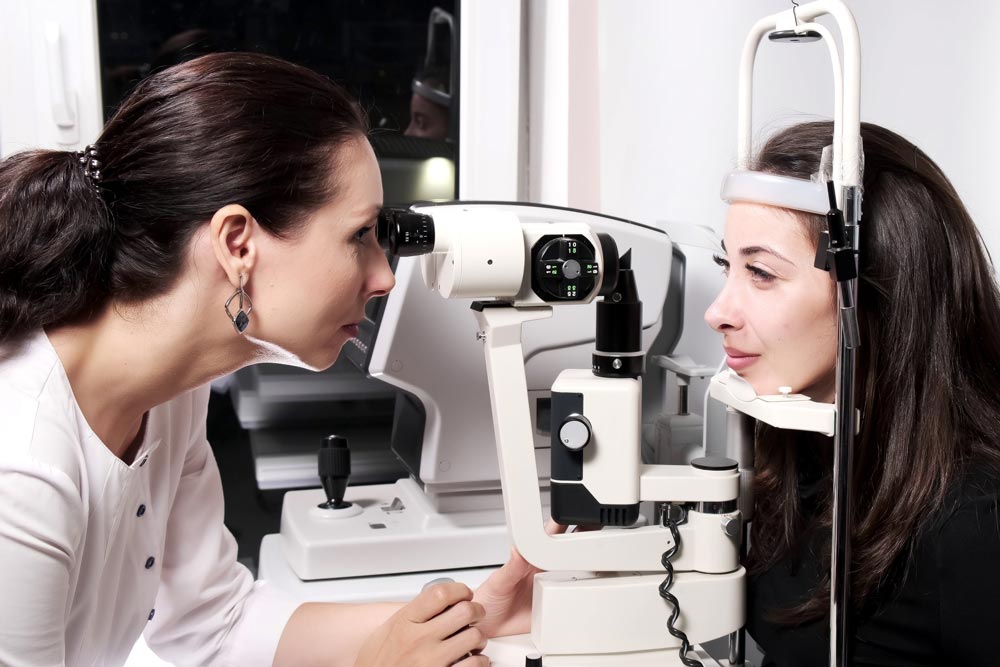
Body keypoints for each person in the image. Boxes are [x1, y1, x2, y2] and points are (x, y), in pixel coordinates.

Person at [0, 52, 552, 667]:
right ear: (238, 243)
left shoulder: (171, 394)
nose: (383, 279)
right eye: (359, 236)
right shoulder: (19, 472)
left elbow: (217, 624)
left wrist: (469, 617)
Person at [705, 121, 1000, 665]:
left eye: (762, 273)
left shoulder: (974, 523)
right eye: (727, 265)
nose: (717, 312)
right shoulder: (793, 455)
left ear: (875, 291)